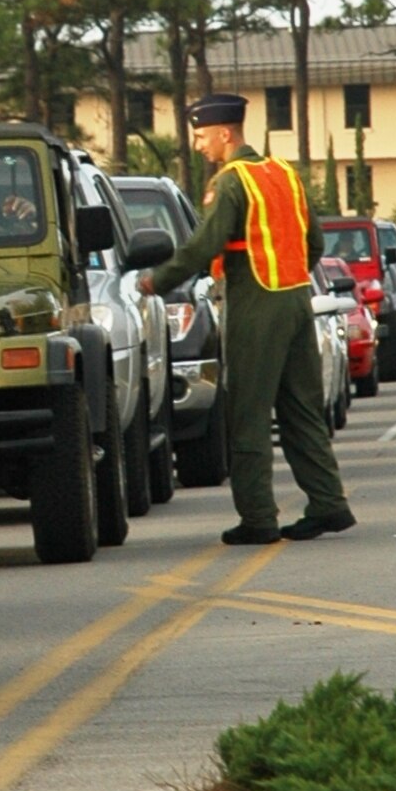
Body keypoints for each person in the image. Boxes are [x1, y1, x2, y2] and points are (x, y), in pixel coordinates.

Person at [138, 93, 355, 545]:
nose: (198, 146)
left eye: (200, 137)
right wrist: (290, 274)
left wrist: (156, 281)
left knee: (249, 414)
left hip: (256, 304)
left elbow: (203, 246)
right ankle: (329, 503)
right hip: (297, 300)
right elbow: (314, 242)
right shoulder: (284, 175)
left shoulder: (231, 183)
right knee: (301, 410)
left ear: (224, 133)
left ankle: (258, 516)